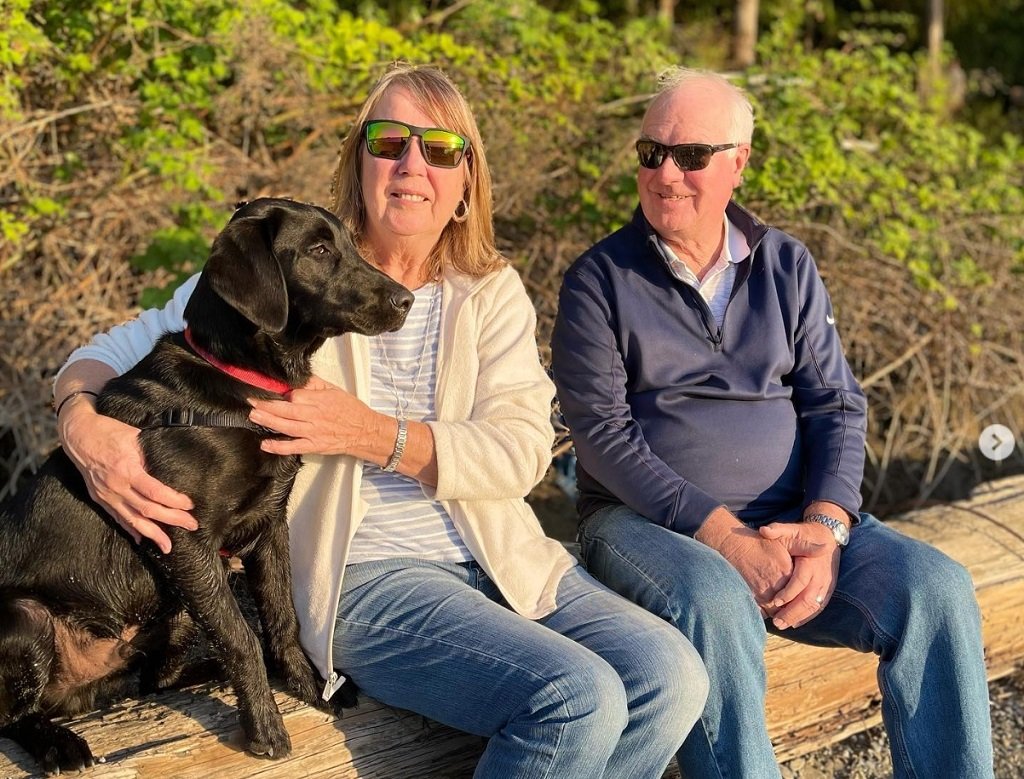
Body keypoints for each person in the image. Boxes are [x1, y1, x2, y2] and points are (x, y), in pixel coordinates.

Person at [52, 63, 708, 777]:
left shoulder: (489, 292)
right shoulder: (296, 270)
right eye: (390, 140)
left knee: (672, 675)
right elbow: (104, 354)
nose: (412, 163)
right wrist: (85, 431)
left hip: (499, 556)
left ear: (466, 183)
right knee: (576, 697)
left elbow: (524, 453)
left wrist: (374, 433)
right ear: (359, 160)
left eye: (440, 148)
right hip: (366, 574)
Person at [550, 66, 994, 779]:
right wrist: (725, 535)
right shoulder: (598, 280)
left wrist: (825, 528)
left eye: (691, 155)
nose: (666, 173)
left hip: (791, 524)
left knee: (937, 587)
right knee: (719, 596)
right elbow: (602, 439)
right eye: (651, 152)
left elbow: (837, 405)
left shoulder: (786, 263)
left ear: (738, 163)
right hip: (644, 530)